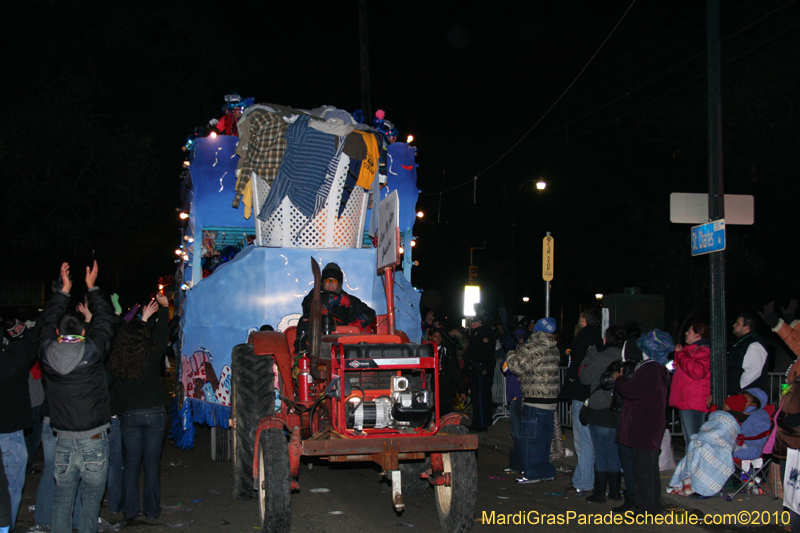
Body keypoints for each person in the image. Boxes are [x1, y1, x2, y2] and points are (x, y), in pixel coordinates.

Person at [39, 261, 115, 533]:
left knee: (62, 498)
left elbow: (47, 322)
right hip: (94, 439)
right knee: (91, 501)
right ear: (84, 332)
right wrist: (92, 287)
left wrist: (64, 291)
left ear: (58, 333)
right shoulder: (92, 354)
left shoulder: (47, 354)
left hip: (63, 440)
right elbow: (106, 320)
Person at [108, 293, 170, 522]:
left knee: (132, 464)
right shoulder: (152, 353)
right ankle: (152, 511)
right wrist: (163, 309)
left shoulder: (119, 358)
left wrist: (141, 319)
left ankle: (130, 510)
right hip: (154, 413)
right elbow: (162, 333)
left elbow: (122, 334)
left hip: (130, 416)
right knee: (152, 463)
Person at [614, 328, 673, 516]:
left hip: (644, 427)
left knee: (644, 472)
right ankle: (654, 506)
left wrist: (619, 380)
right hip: (652, 426)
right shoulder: (659, 369)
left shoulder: (649, 369)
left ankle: (646, 508)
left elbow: (631, 391)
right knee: (650, 470)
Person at [506, 317, 561, 484]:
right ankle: (546, 471)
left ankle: (532, 473)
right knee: (544, 439)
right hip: (550, 400)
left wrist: (511, 353)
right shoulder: (554, 348)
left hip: (534, 398)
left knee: (530, 439)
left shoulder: (536, 346)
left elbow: (518, 367)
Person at [579, 325, 626, 503]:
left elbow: (584, 377)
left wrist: (590, 356)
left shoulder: (601, 357)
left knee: (600, 451)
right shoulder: (625, 356)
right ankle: (614, 491)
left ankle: (599, 492)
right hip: (618, 408)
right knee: (614, 451)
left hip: (599, 408)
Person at [559, 307, 603, 495]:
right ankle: (589, 477)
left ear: (584, 319)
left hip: (581, 393)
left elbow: (575, 363)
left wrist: (570, 380)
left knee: (582, 440)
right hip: (597, 394)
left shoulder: (583, 337)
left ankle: (584, 481)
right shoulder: (601, 337)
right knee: (593, 439)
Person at [1, 317, 38, 531]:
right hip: (8, 430)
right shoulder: (12, 362)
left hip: (11, 428)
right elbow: (29, 348)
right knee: (11, 487)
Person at [296, 263, 376, 352]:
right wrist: (331, 300)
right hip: (313, 349)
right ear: (322, 282)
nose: (330, 283)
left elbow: (369, 312)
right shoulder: (314, 297)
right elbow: (307, 305)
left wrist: (361, 320)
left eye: (334, 281)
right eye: (327, 280)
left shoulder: (350, 300)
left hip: (341, 348)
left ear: (339, 283)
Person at [668, 411, 739, 498]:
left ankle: (702, 488)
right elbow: (706, 433)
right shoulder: (715, 420)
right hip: (709, 445)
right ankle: (693, 486)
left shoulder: (726, 423)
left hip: (721, 447)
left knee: (703, 453)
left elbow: (719, 436)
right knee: (698, 451)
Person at [669, 322, 711, 448]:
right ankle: (691, 466)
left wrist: (681, 354)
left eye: (689, 331)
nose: (686, 333)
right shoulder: (691, 352)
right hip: (686, 400)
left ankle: (696, 467)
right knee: (690, 439)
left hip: (694, 402)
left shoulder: (703, 351)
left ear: (698, 335)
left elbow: (697, 371)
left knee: (695, 441)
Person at [465, 310, 496, 432]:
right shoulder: (477, 334)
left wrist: (480, 366)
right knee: (481, 398)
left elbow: (484, 353)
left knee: (480, 399)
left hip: (480, 371)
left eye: (475, 322)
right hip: (478, 370)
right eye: (472, 322)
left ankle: (480, 424)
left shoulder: (483, 335)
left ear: (481, 323)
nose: (473, 324)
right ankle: (483, 421)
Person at [727, 312, 768, 395]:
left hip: (747, 396)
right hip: (739, 393)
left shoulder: (754, 344)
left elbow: (754, 371)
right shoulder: (742, 342)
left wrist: (738, 388)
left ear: (746, 328)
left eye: (737, 324)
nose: (734, 325)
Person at [431, 329, 465, 416]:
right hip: (431, 388)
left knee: (446, 412)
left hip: (446, 387)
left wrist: (462, 390)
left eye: (439, 336)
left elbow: (456, 370)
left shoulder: (448, 352)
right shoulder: (426, 351)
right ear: (430, 337)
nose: (438, 338)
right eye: (435, 336)